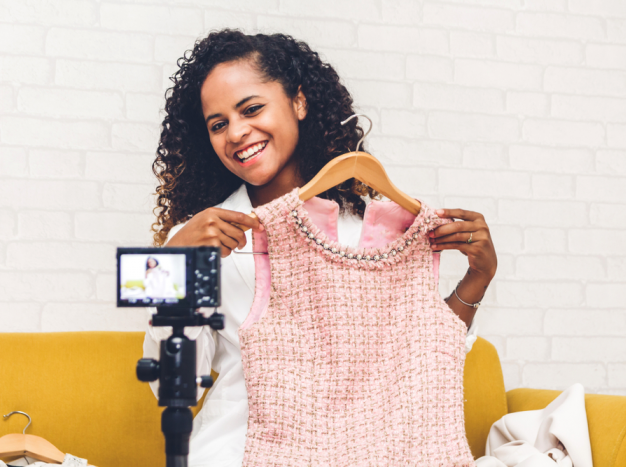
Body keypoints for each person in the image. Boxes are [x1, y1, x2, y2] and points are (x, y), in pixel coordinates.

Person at [143, 29, 498, 467]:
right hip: (237, 448)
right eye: (218, 124)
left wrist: (476, 282)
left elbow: (421, 361)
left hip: (370, 451)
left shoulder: (374, 231)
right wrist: (175, 262)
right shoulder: (196, 233)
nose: (236, 133)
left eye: (251, 108)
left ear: (299, 102)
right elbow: (169, 385)